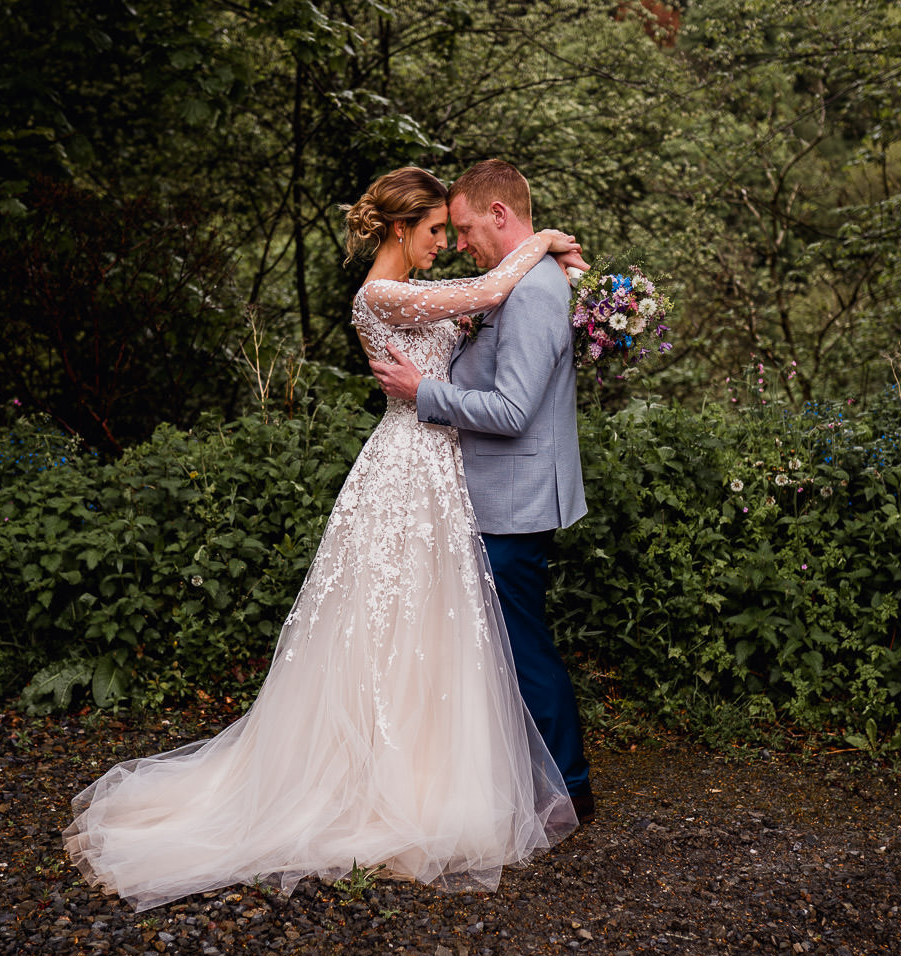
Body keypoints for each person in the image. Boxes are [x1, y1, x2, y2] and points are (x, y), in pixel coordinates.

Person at [63, 166, 584, 911]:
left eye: (455, 229)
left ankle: (443, 769)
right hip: (409, 462)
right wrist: (541, 246)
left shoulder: (444, 290)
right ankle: (382, 779)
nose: (448, 243)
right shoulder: (381, 294)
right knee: (388, 624)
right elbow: (484, 294)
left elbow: (484, 319)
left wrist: (538, 257)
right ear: (401, 231)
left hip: (441, 468)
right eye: (437, 231)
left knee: (437, 629)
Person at [370, 159, 595, 824]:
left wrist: (424, 392)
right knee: (503, 646)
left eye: (465, 228)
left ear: (500, 215)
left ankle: (571, 791)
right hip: (501, 491)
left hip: (515, 497)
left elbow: (513, 409)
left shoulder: (530, 294)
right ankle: (532, 783)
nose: (460, 243)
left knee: (522, 648)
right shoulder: (522, 283)